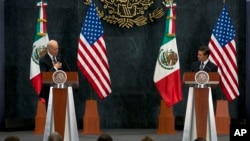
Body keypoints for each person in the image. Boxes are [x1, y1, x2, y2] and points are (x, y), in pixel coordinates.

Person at [39, 40, 68, 108]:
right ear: (49, 49)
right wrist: (54, 68)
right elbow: (45, 76)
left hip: (61, 89)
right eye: (55, 49)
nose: (57, 51)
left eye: (57, 48)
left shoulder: (60, 58)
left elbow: (68, 72)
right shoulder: (43, 60)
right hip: (48, 91)